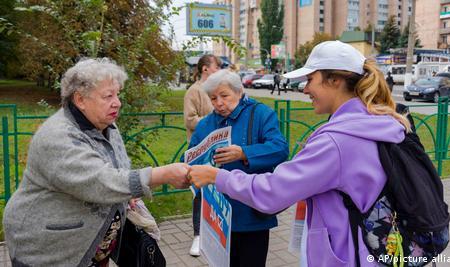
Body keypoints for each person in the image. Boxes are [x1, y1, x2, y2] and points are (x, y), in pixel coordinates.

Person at [188, 41, 411, 267]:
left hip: (350, 252)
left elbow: (273, 191)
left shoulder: (335, 141)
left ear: (334, 80)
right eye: (213, 98)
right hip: (373, 245)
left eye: (310, 80)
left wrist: (217, 176)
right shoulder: (376, 122)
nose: (304, 89)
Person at [2, 58, 190, 267]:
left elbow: (119, 168)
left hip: (92, 246)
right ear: (80, 99)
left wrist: (127, 198)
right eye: (108, 96)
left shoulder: (106, 125)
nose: (117, 102)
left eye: (117, 94)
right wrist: (163, 174)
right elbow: (101, 182)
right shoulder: (57, 137)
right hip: (52, 251)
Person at [189, 69, 289, 266]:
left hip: (251, 213)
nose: (219, 103)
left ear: (239, 91)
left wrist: (244, 153)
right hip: (217, 212)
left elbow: (280, 149)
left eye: (224, 96)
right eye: (213, 98)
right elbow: (192, 155)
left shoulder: (261, 114)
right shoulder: (206, 124)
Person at [183, 54, 221, 256]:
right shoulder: (194, 91)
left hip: (220, 151)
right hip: (200, 150)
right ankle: (198, 235)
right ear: (205, 69)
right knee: (200, 191)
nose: (219, 69)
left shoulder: (217, 89)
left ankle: (216, 230)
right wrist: (213, 122)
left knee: (219, 190)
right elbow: (190, 120)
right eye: (217, 66)